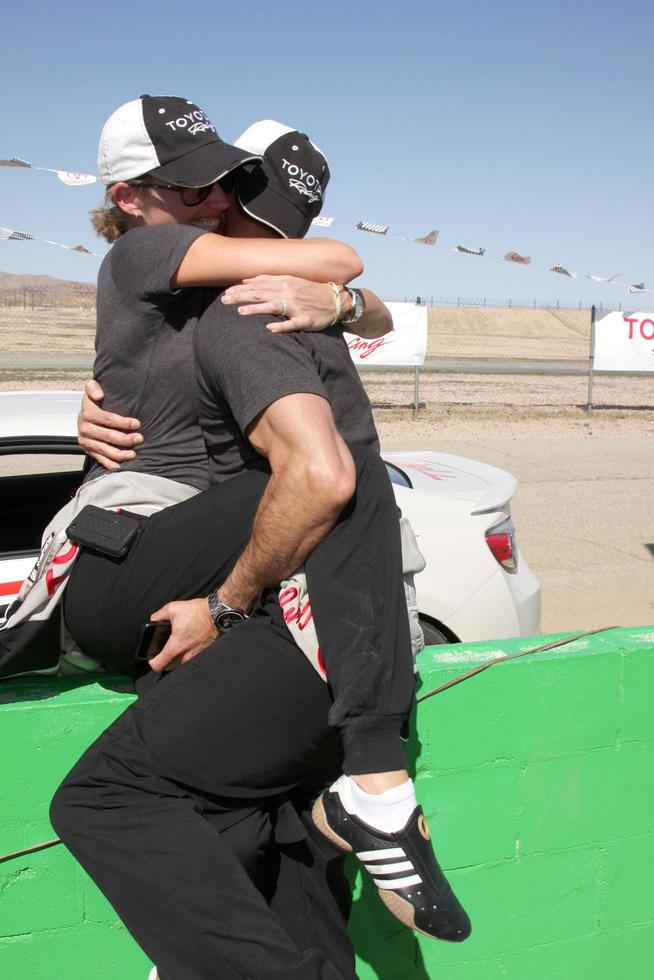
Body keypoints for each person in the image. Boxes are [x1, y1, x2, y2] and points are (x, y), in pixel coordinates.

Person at [43, 98, 470, 977]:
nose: (215, 199)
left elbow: (368, 304)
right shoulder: (165, 260)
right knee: (332, 473)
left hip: (195, 559)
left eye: (233, 181)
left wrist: (349, 304)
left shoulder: (226, 301)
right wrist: (227, 607)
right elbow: (319, 469)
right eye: (198, 184)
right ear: (130, 197)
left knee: (272, 824)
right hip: (130, 548)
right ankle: (377, 783)